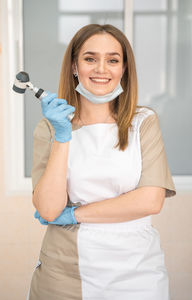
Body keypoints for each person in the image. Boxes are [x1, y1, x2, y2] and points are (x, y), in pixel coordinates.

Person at [28, 24, 176, 300]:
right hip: (66, 272)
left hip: (137, 268)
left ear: (124, 69)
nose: (101, 69)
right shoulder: (50, 129)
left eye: (113, 60)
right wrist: (63, 137)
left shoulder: (143, 122)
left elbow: (150, 201)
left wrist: (73, 214)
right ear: (74, 66)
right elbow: (49, 209)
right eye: (90, 58)